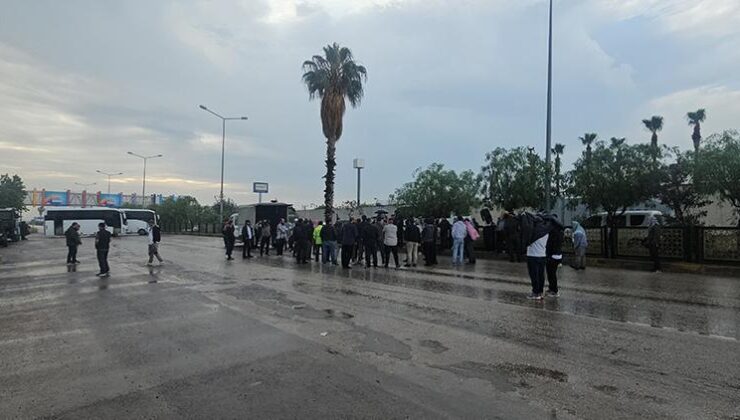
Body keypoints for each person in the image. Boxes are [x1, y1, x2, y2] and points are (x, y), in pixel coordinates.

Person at [525, 215, 549, 300]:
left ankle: (535, 293)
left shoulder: (533, 233)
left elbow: (526, 240)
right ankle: (540, 292)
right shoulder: (546, 232)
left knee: (534, 275)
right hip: (542, 255)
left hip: (532, 256)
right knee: (541, 275)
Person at [545, 215, 564, 297]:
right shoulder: (560, 231)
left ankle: (554, 290)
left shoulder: (553, 232)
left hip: (552, 256)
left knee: (551, 274)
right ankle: (551, 288)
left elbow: (550, 245)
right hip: (558, 255)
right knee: (551, 274)